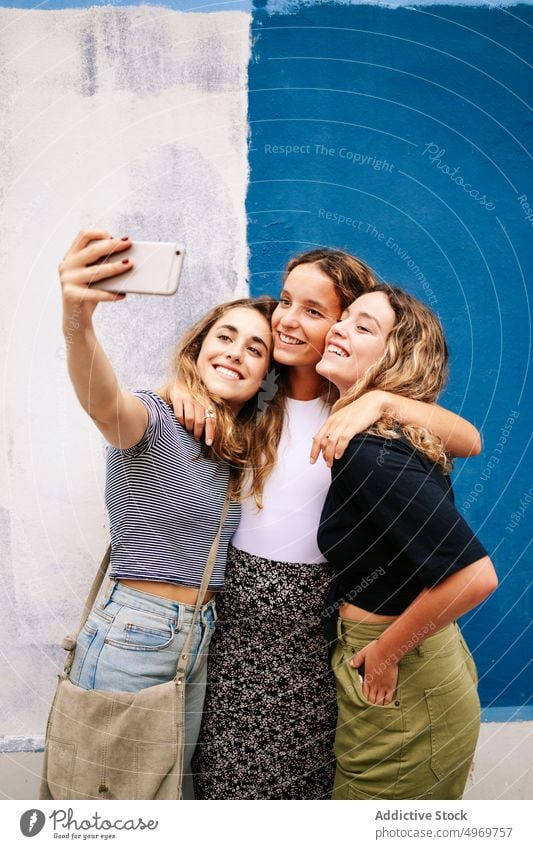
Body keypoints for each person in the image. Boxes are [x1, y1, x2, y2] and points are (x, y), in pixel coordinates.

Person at [172, 249, 483, 799]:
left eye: (315, 311)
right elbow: (198, 372)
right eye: (286, 302)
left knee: (322, 785)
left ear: (343, 326)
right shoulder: (252, 394)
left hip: (323, 632)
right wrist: (181, 389)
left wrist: (383, 399)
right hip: (240, 634)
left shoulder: (359, 412)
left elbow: (470, 440)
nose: (289, 319)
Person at [57, 228, 275, 799]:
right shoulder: (153, 417)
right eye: (225, 336)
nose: (236, 351)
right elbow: (102, 400)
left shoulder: (244, 448)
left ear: (265, 377)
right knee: (103, 809)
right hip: (135, 632)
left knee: (161, 805)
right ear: (198, 348)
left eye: (256, 349)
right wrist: (77, 317)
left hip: (200, 639)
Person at [316, 285, 498, 800]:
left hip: (398, 672)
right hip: (411, 665)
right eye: (343, 318)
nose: (338, 328)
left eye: (362, 326)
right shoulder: (387, 435)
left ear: (394, 357)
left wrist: (384, 656)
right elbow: (470, 439)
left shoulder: (370, 453)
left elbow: (474, 576)